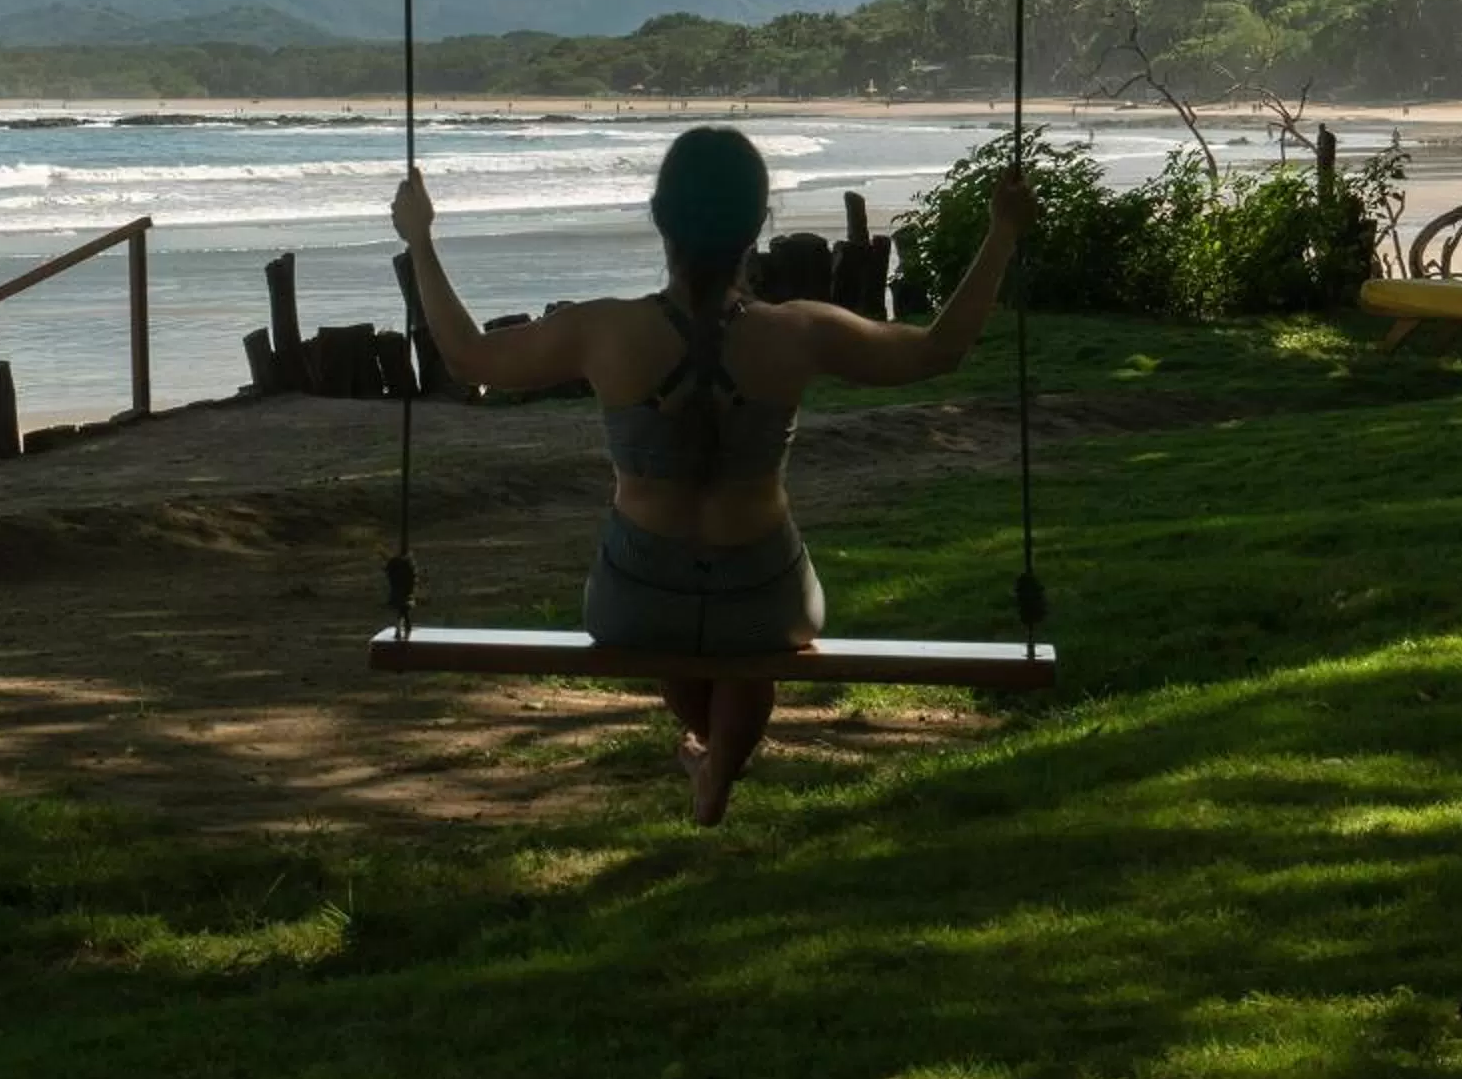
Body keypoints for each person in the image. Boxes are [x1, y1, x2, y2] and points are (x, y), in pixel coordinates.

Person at [391, 127, 1029, 826]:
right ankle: (716, 764)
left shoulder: (604, 330)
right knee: (750, 647)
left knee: (679, 639)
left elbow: (469, 358)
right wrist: (1001, 233)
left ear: (660, 217)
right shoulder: (800, 331)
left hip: (636, 596)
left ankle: (710, 760)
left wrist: (420, 238)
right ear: (758, 224)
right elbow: (941, 350)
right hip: (766, 594)